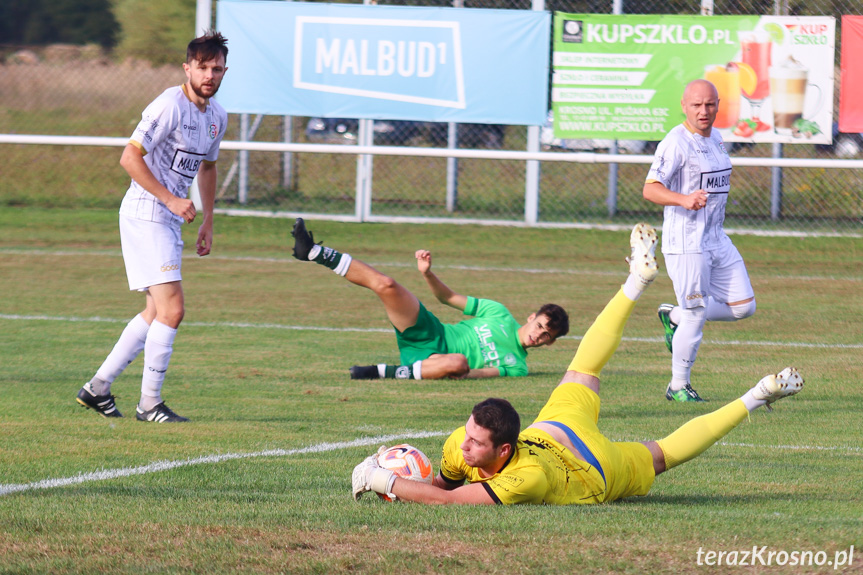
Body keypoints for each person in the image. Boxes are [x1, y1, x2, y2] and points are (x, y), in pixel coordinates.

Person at [351, 222, 804, 505]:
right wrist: (411, 480)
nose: (465, 448)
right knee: (583, 368)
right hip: (555, 428)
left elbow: (450, 505)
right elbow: (447, 489)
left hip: (594, 469)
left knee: (663, 454)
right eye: (468, 436)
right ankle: (638, 287)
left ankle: (754, 397)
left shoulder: (523, 480)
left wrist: (379, 479)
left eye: (475, 444)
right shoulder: (459, 444)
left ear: (503, 450)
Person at [75, 32, 229, 423]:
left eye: (217, 68)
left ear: (224, 70)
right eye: (203, 67)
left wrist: (208, 218)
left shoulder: (216, 117)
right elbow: (129, 157)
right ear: (187, 68)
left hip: (169, 219)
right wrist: (171, 198)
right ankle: (150, 404)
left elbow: (207, 168)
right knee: (173, 310)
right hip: (147, 212)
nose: (210, 75)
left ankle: (98, 388)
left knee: (155, 310)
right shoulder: (168, 106)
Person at [290, 218, 569, 380]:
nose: (539, 335)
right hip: (432, 332)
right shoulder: (499, 313)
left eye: (546, 335)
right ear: (532, 317)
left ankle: (382, 372)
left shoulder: (518, 367)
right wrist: (427, 273)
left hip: (440, 361)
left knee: (459, 363)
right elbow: (447, 297)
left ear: (551, 342)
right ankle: (313, 252)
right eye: (540, 326)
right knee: (387, 285)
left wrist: (451, 368)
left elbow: (473, 374)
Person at [643, 79, 757, 403]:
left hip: (716, 238)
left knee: (743, 307)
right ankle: (678, 386)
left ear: (718, 105)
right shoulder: (675, 143)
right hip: (687, 243)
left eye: (709, 104)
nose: (703, 111)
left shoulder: (717, 137)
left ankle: (674, 316)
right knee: (697, 312)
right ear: (684, 106)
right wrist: (682, 199)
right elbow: (650, 188)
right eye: (696, 105)